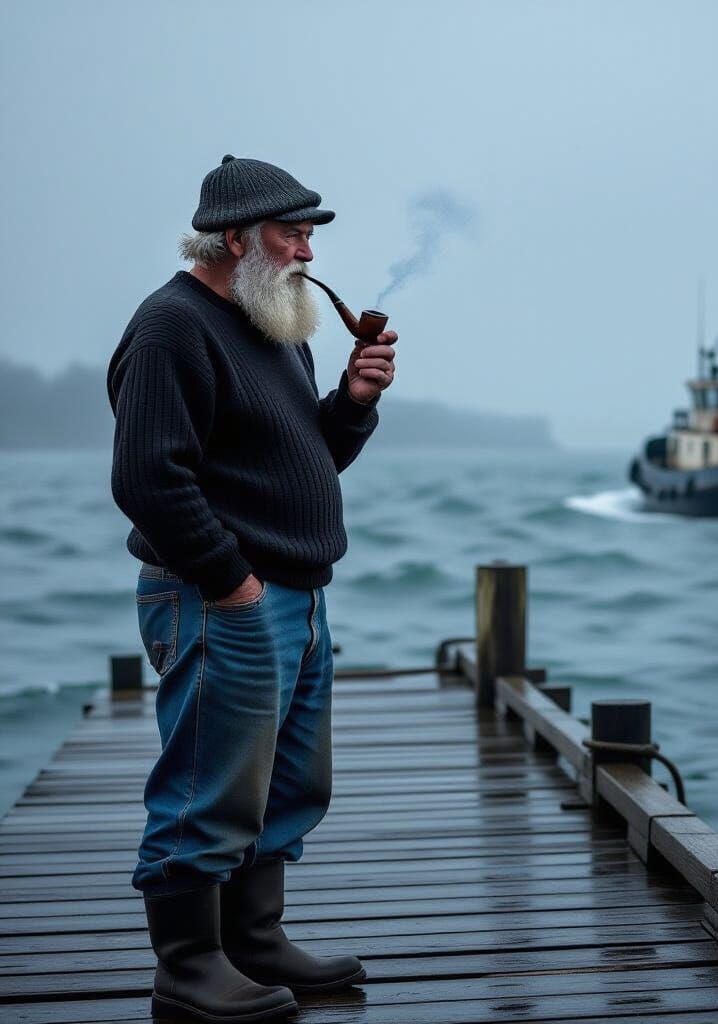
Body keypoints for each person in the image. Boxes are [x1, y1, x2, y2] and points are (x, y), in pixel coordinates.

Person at [107, 154, 397, 1023]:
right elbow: (149, 479)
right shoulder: (171, 327)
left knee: (287, 784)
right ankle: (190, 965)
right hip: (219, 593)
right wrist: (231, 583)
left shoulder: (275, 323)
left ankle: (256, 939)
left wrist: (349, 402)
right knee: (208, 786)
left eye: (311, 231)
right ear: (234, 237)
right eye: (291, 231)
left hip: (297, 594)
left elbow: (302, 457)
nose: (308, 248)